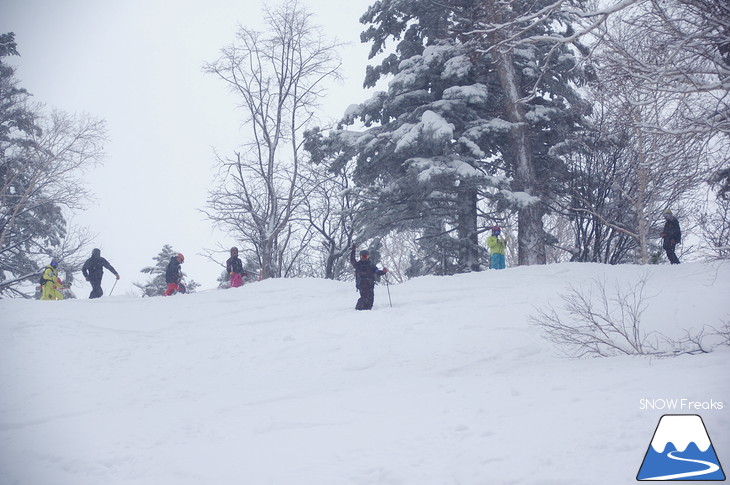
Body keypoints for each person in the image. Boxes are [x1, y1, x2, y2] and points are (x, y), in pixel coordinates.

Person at [350, 244, 388, 310]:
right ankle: (358, 310)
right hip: (362, 284)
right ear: (360, 257)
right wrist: (353, 251)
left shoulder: (371, 265)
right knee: (364, 297)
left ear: (368, 257)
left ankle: (367, 312)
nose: (364, 258)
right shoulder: (358, 265)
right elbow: (352, 260)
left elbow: (377, 271)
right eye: (363, 256)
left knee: (371, 299)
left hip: (370, 284)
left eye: (366, 256)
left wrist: (383, 272)